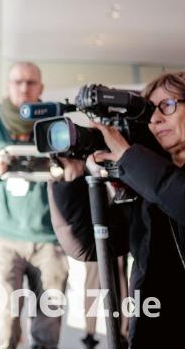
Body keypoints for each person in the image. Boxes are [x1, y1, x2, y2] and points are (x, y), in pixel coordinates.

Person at [50, 71, 185, 348]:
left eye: (168, 106)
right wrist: (70, 181)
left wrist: (130, 159)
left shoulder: (147, 175)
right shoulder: (145, 184)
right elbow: (89, 246)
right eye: (150, 112)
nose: (156, 119)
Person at [0, 62, 68, 349]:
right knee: (3, 324)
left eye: (31, 82)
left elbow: (77, 175)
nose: (24, 87)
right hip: (4, 240)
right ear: (8, 86)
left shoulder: (57, 125)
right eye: (18, 82)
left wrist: (64, 172)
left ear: (41, 88)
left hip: (50, 241)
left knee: (48, 326)